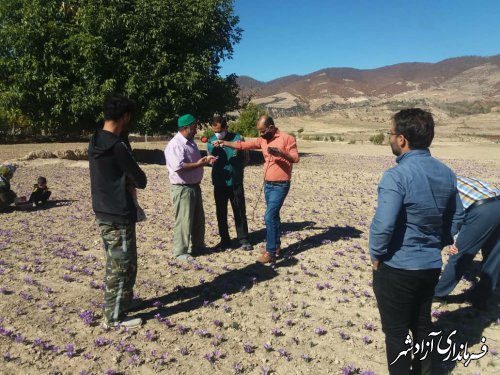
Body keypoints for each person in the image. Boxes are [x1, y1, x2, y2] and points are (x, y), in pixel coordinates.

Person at [369, 108, 464, 375]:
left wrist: (376, 254)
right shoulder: (447, 173)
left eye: (390, 133)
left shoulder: (396, 176)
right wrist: (440, 240)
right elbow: (458, 214)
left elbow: (384, 224)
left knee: (397, 334)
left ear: (402, 139)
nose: (390, 139)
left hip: (397, 268)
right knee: (422, 326)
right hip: (430, 266)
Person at [89, 94, 147, 328]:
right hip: (118, 212)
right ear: (124, 117)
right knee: (121, 265)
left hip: (103, 210)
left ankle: (122, 303)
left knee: (123, 262)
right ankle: (113, 317)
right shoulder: (117, 146)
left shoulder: (95, 140)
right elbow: (140, 179)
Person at [213, 115, 299, 264]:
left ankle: (270, 251)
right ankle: (277, 245)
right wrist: (225, 142)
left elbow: (295, 158)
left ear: (271, 127)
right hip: (268, 185)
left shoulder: (287, 138)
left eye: (263, 131)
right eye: (259, 131)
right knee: (275, 216)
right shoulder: (262, 140)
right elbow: (243, 145)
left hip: (281, 185)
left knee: (269, 217)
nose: (261, 134)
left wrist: (281, 153)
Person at [434, 176, 500, 310]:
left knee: (460, 256)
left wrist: (455, 240)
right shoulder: (452, 177)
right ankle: (482, 297)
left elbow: (453, 215)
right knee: (495, 255)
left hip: (482, 209)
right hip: (496, 200)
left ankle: (437, 294)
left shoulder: (433, 188)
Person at [164, 114, 216, 260]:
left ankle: (198, 246)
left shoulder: (190, 142)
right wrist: (200, 164)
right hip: (182, 188)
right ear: (185, 128)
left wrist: (205, 161)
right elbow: (179, 167)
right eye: (194, 127)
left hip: (194, 186)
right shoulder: (175, 144)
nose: (196, 130)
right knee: (184, 219)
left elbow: (195, 161)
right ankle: (180, 251)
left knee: (198, 219)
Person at [207, 115, 252, 251]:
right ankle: (224, 240)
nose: (217, 134)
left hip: (235, 181)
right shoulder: (210, 141)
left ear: (226, 127)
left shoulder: (238, 138)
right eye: (215, 131)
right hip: (219, 182)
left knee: (239, 210)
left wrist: (236, 170)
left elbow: (246, 158)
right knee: (221, 212)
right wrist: (210, 162)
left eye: (220, 130)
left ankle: (243, 238)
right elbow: (209, 159)